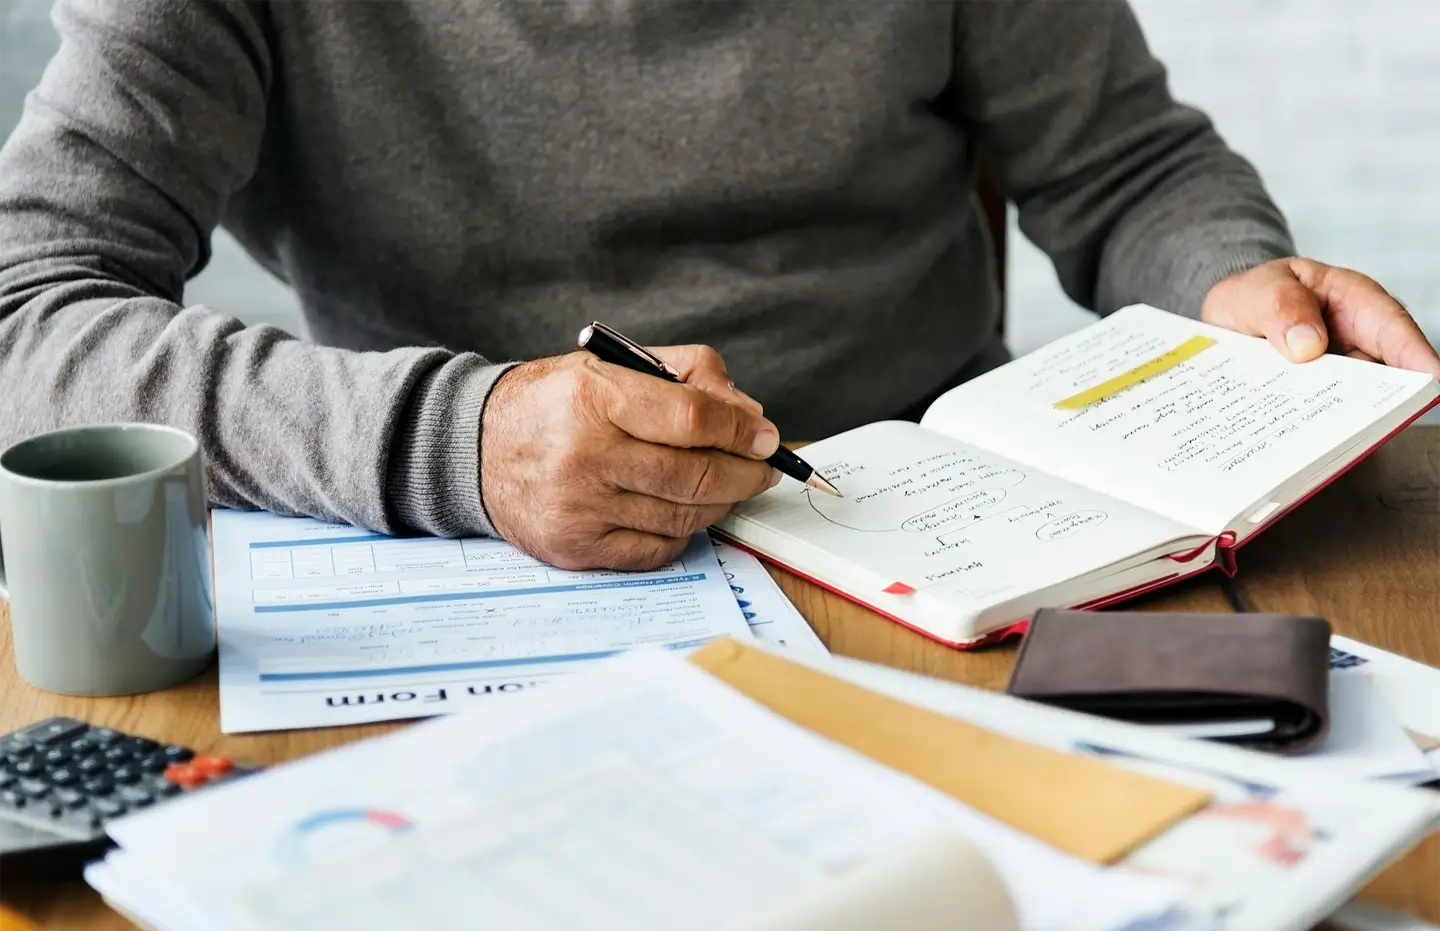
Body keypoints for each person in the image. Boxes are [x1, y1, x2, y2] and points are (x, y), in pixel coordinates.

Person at [1, 0, 1436, 573]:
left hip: (936, 546)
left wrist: (1236, 278)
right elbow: (30, 310)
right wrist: (461, 441)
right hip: (454, 565)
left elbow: (1124, 163)